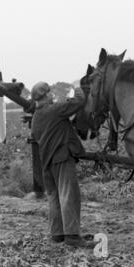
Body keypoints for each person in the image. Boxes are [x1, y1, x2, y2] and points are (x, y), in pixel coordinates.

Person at [31, 81, 94, 248]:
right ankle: (72, 237)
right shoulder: (54, 110)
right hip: (61, 159)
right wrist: (77, 87)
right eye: (50, 92)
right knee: (69, 196)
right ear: (45, 96)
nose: (52, 95)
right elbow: (79, 101)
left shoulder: (36, 117)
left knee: (55, 198)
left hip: (47, 163)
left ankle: (58, 234)